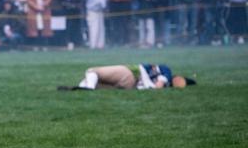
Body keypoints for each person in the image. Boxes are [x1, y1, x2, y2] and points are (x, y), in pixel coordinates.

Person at [58, 64, 196, 91]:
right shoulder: (165, 77)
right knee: (99, 84)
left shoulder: (166, 71)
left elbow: (161, 80)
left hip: (129, 73)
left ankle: (86, 88)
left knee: (92, 71)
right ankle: (80, 89)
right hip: (131, 87)